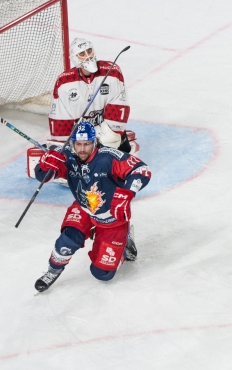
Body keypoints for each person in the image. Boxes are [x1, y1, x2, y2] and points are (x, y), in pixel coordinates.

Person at [32, 122, 151, 292]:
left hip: (112, 217)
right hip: (85, 208)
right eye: (78, 144)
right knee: (68, 239)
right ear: (72, 143)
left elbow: (142, 170)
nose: (82, 149)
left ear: (94, 142)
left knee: (102, 274)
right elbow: (43, 176)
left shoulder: (108, 157)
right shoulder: (66, 155)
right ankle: (53, 270)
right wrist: (44, 165)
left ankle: (125, 242)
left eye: (87, 144)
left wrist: (128, 192)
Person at [48, 37, 133, 151]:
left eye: (89, 51)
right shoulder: (64, 83)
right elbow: (61, 123)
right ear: (74, 58)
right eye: (82, 54)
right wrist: (69, 148)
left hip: (106, 137)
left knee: (122, 152)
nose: (88, 56)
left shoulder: (112, 73)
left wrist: (98, 143)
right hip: (80, 140)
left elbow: (117, 114)